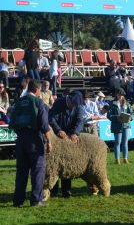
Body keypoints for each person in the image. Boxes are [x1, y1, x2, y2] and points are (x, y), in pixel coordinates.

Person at [10, 79, 52, 207]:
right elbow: (44, 125)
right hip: (34, 138)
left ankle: (18, 200)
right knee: (37, 170)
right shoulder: (38, 102)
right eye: (40, 90)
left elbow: (12, 123)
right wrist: (49, 141)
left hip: (21, 139)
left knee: (21, 171)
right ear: (36, 90)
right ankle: (35, 200)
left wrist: (21, 134)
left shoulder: (19, 102)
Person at [48, 90, 84, 197]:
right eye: (72, 103)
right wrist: (58, 130)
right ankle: (53, 189)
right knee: (55, 163)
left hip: (69, 137)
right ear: (69, 99)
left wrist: (75, 133)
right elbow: (52, 118)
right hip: (57, 137)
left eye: (75, 105)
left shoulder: (78, 106)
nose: (73, 106)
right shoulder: (59, 103)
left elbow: (80, 120)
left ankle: (66, 190)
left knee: (67, 163)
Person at [107, 88, 134, 165]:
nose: (120, 96)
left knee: (125, 142)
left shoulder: (127, 104)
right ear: (116, 94)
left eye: (121, 95)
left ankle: (125, 159)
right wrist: (116, 118)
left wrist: (130, 118)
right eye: (119, 94)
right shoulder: (112, 103)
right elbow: (109, 115)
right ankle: (117, 160)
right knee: (117, 142)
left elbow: (132, 114)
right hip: (117, 125)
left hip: (126, 125)